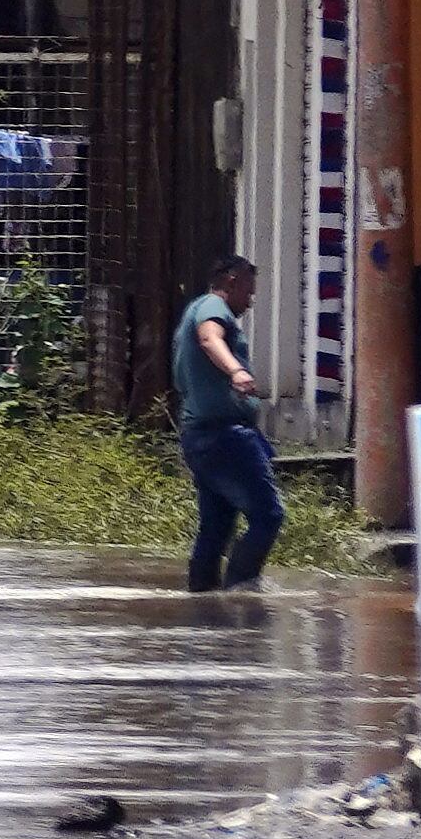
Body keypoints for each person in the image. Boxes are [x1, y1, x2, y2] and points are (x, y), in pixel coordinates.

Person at [170, 252, 282, 591]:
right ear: (232, 280)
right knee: (268, 515)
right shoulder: (211, 308)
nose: (249, 301)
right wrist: (236, 370)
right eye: (248, 291)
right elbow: (210, 338)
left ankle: (203, 604)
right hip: (225, 438)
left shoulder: (194, 309)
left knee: (216, 529)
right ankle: (242, 594)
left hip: (201, 439)